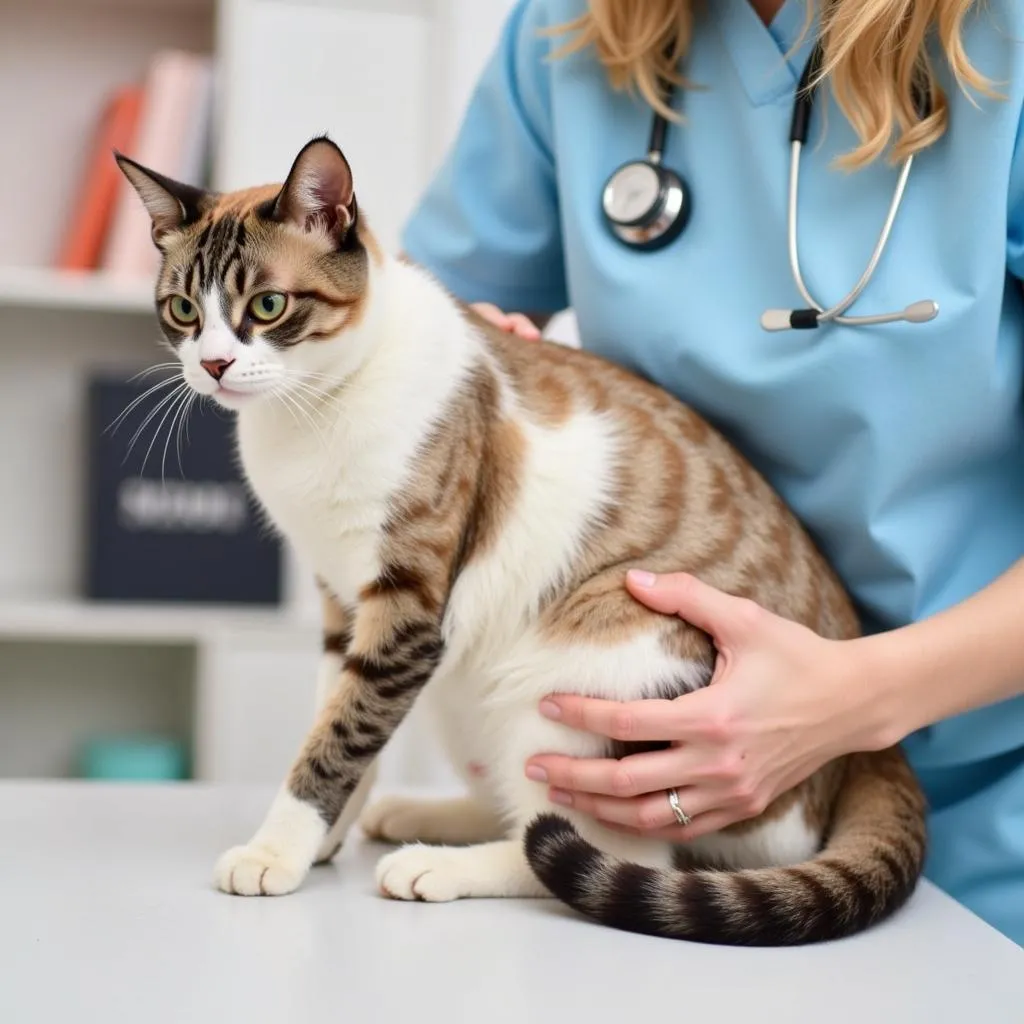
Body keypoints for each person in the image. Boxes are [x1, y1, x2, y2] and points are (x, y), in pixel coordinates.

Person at [399, 0, 1024, 945]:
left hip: (992, 784)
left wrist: (842, 704)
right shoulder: (568, 30)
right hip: (671, 779)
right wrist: (461, 362)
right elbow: (412, 310)